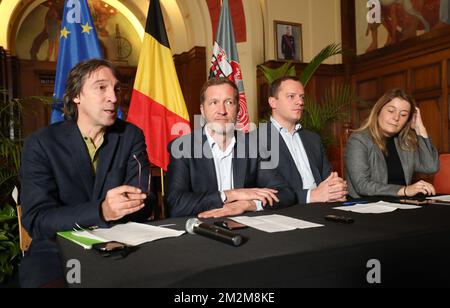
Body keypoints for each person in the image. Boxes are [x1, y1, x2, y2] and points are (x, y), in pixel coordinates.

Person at [20, 59, 154, 288]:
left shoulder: (131, 135)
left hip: (120, 245)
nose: (113, 97)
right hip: (57, 252)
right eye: (101, 87)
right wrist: (102, 210)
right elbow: (37, 220)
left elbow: (145, 200)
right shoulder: (41, 144)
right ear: (76, 96)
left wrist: (135, 203)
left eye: (116, 88)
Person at [166, 77, 296, 218]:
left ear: (238, 109)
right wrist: (231, 194)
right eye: (214, 103)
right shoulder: (183, 148)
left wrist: (249, 204)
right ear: (202, 110)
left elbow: (285, 194)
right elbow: (176, 205)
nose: (222, 111)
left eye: (229, 102)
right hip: (202, 229)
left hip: (247, 227)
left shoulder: (253, 146)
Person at [260, 76, 348, 204]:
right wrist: (311, 196)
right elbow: (267, 191)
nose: (300, 102)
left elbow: (328, 178)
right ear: (273, 102)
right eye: (291, 96)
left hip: (325, 207)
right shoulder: (256, 140)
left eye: (302, 97)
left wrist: (336, 189)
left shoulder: (313, 139)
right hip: (287, 212)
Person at [344, 89, 439, 198]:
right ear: (378, 111)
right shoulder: (359, 140)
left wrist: (420, 128)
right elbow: (362, 185)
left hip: (401, 204)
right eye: (391, 111)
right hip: (367, 206)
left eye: (403, 115)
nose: (396, 118)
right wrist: (404, 190)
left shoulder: (404, 142)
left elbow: (431, 167)